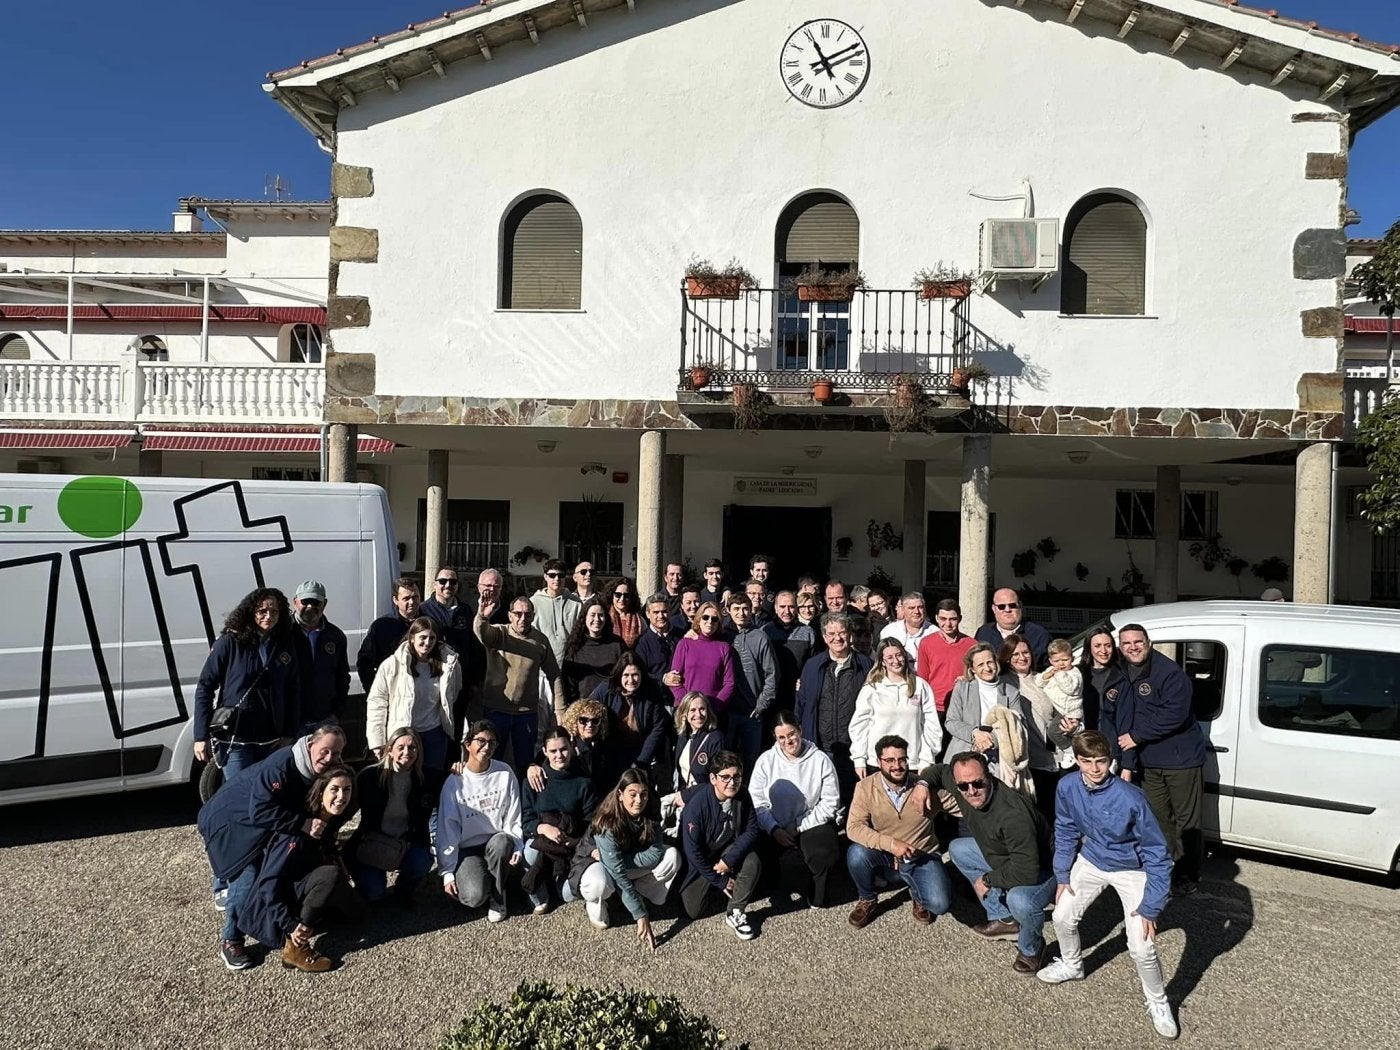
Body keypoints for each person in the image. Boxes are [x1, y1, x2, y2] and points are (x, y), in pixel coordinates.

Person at [1037, 732, 1178, 1040]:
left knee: (1141, 945)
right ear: (1076, 760)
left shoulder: (1131, 797)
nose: (1095, 768)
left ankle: (1158, 1001)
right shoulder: (1067, 786)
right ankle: (1073, 965)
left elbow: (1157, 853)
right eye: (1086, 761)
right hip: (1091, 861)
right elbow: (1065, 828)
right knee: (1061, 916)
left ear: (1111, 760)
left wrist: (1151, 907)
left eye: (1101, 761)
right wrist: (1062, 875)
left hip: (1132, 870)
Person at [197, 725, 347, 970]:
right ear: (310, 745)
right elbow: (260, 810)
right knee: (247, 879)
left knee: (280, 866)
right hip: (231, 824)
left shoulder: (312, 769)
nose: (330, 758)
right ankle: (231, 939)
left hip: (261, 826)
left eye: (337, 753)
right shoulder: (281, 766)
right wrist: (302, 823)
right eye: (325, 751)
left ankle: (277, 922)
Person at [915, 751, 1056, 973]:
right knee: (958, 849)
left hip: (1043, 868)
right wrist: (922, 783)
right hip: (1005, 856)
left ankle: (1032, 949)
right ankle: (1005, 920)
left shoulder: (1013, 815)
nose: (971, 791)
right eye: (963, 786)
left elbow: (1026, 871)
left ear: (988, 776)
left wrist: (987, 880)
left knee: (1020, 900)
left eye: (977, 783)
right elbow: (939, 772)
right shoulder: (962, 782)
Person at [1107, 623, 1206, 896]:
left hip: (1180, 760)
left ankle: (1187, 876)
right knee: (1160, 819)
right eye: (1126, 644)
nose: (1133, 647)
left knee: (1187, 822)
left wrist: (1136, 737)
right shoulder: (1124, 671)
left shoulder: (1170, 674)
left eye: (1137, 642)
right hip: (1150, 761)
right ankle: (1165, 869)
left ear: (1148, 643)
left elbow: (1174, 714)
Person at [239, 764, 363, 973]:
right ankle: (296, 946)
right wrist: (290, 925)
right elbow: (267, 884)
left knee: (361, 916)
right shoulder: (298, 830)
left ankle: (322, 912)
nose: (341, 796)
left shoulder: (330, 820)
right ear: (321, 790)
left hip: (305, 883)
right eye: (334, 789)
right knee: (329, 875)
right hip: (282, 900)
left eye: (347, 790)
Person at [194, 587, 304, 781]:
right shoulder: (229, 642)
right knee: (239, 795)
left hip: (272, 740)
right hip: (236, 740)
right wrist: (200, 736)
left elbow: (293, 691)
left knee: (268, 795)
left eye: (274, 611)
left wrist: (289, 733)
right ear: (251, 612)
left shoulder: (284, 645)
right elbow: (205, 687)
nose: (268, 616)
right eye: (262, 611)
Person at [845, 734, 952, 929]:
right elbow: (853, 828)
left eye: (902, 759)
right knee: (856, 854)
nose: (897, 766)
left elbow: (960, 804)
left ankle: (918, 894)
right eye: (890, 760)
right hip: (886, 856)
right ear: (878, 762)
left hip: (922, 855)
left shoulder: (923, 788)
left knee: (940, 904)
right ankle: (868, 899)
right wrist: (891, 845)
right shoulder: (865, 787)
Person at [571, 768, 681, 943]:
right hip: (594, 863)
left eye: (643, 794)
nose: (639, 800)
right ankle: (597, 903)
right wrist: (640, 914)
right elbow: (616, 870)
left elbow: (656, 852)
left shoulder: (651, 810)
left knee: (672, 856)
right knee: (598, 884)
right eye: (633, 794)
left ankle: (637, 892)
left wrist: (617, 860)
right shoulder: (607, 819)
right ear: (620, 794)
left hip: (620, 860)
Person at [748, 713, 840, 908]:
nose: (788, 741)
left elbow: (830, 803)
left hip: (808, 822)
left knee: (823, 850)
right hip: (774, 824)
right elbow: (756, 800)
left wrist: (798, 825)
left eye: (791, 734)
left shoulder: (821, 760)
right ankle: (768, 880)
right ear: (775, 738)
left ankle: (817, 891)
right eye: (781, 737)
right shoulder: (766, 760)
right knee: (753, 849)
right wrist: (774, 828)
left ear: (800, 730)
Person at [437, 721, 524, 923]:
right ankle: (482, 879)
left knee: (502, 842)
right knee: (473, 897)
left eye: (492, 743)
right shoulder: (454, 782)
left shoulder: (504, 772)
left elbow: (513, 813)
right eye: (481, 741)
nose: (486, 747)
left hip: (496, 842)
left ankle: (498, 896)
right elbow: (447, 828)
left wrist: (517, 844)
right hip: (467, 849)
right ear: (468, 744)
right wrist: (447, 872)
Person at [475, 594, 562, 777]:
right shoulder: (499, 633)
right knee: (491, 761)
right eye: (518, 614)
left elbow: (554, 675)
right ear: (510, 615)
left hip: (526, 714)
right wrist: (483, 616)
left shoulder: (540, 641)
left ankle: (525, 804)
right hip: (496, 710)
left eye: (527, 614)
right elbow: (482, 633)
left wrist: (560, 710)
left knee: (526, 765)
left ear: (533, 616)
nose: (523, 618)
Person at [679, 750, 762, 939]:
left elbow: (752, 830)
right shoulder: (697, 806)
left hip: (726, 851)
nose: (732, 782)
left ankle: (735, 911)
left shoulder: (743, 794)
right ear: (713, 778)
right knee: (694, 911)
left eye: (736, 776)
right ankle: (721, 885)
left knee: (752, 860)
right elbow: (692, 852)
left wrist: (729, 861)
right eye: (725, 777)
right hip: (702, 859)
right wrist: (719, 880)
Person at [348, 727, 437, 904]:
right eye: (401, 747)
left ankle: (404, 889)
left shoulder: (427, 778)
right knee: (374, 894)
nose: (407, 752)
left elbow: (453, 780)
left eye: (412, 747)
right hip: (374, 843)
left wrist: (459, 768)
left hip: (406, 842)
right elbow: (348, 809)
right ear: (390, 750)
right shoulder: (369, 776)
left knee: (422, 861)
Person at [365, 616, 460, 777]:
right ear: (412, 638)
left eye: (432, 638)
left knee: (432, 779)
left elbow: (454, 692)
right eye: (422, 637)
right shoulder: (392, 664)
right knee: (402, 779)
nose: (427, 642)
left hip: (434, 734)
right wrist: (377, 741)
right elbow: (377, 703)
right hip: (404, 735)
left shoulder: (449, 663)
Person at [794, 613, 874, 805]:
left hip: (853, 750)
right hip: (820, 747)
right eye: (831, 634)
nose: (837, 638)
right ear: (824, 637)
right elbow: (801, 704)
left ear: (850, 635)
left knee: (851, 802)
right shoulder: (813, 666)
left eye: (842, 632)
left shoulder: (867, 666)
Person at [520, 727, 597, 913]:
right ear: (544, 752)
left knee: (568, 896)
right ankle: (538, 887)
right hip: (542, 843)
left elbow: (591, 821)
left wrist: (576, 841)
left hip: (570, 845)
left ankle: (557, 879)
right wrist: (543, 828)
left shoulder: (583, 781)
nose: (559, 755)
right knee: (531, 851)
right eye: (553, 751)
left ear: (571, 747)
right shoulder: (534, 780)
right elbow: (526, 819)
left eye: (563, 749)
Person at [1001, 635, 1075, 818]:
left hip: (1056, 752)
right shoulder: (1004, 683)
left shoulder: (1045, 677)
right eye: (1015, 654)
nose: (1022, 657)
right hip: (1028, 759)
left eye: (1025, 652)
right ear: (1007, 658)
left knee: (1058, 811)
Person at [944, 643, 1033, 796]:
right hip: (964, 755)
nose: (987, 668)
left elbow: (1019, 726)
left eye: (989, 662)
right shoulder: (962, 688)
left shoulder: (1011, 692)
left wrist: (992, 740)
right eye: (980, 664)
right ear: (972, 668)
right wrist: (975, 733)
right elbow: (951, 722)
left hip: (998, 761)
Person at [849, 638, 943, 776]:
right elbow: (859, 726)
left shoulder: (920, 686)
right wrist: (859, 759)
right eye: (890, 657)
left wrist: (926, 760)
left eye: (899, 655)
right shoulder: (872, 688)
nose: (896, 661)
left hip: (911, 763)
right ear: (882, 661)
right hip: (877, 764)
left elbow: (931, 726)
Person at [590, 652, 669, 780]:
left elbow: (657, 728)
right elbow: (585, 709)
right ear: (619, 675)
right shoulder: (606, 689)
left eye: (635, 675)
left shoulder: (652, 691)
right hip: (611, 750)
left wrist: (642, 761)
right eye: (626, 675)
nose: (631, 680)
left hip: (641, 748)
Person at [290, 580, 350, 732]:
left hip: (324, 721)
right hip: (291, 724)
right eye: (305, 601)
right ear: (295, 602)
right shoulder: (282, 634)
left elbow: (342, 678)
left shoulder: (335, 636)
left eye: (316, 602)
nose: (310, 606)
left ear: (324, 604)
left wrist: (336, 714)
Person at [726, 592, 777, 769]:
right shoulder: (723, 636)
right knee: (726, 760)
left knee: (751, 762)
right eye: (737, 609)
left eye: (745, 609)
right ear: (728, 611)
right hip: (727, 711)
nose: (741, 613)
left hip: (753, 711)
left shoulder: (761, 637)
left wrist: (762, 704)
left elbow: (771, 673)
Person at [664, 691, 726, 825]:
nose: (698, 714)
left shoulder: (715, 739)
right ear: (684, 714)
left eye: (702, 709)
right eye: (692, 710)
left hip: (704, 803)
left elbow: (717, 783)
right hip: (684, 802)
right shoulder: (683, 736)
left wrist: (685, 795)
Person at [665, 601, 735, 711]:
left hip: (713, 710)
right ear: (698, 619)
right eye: (705, 617)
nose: (710, 621)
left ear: (719, 623)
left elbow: (729, 683)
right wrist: (689, 703)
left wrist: (714, 706)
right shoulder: (685, 644)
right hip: (685, 709)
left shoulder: (724, 647)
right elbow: (674, 679)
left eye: (714, 619)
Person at [357, 578, 420, 692]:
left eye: (415, 597)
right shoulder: (381, 626)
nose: (412, 602)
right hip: (393, 691)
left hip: (423, 692)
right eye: (406, 598)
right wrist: (374, 691)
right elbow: (365, 662)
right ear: (395, 600)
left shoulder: (429, 624)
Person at [916, 598, 977, 715]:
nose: (948, 624)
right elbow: (922, 678)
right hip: (935, 706)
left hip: (963, 706)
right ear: (936, 619)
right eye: (943, 619)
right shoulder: (926, 643)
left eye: (952, 619)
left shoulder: (972, 645)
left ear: (960, 619)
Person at [562, 597, 624, 707]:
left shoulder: (617, 644)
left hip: (613, 706)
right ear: (584, 618)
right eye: (592, 615)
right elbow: (569, 684)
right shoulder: (575, 646)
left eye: (601, 615)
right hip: (584, 708)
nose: (597, 619)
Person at [1036, 638, 1085, 769]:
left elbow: (1070, 688)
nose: (1061, 664)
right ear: (1051, 661)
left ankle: (1070, 751)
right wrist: (1047, 675)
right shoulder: (1053, 670)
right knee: (1055, 731)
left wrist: (1059, 675)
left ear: (1072, 658)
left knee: (1054, 732)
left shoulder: (1074, 673)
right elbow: (1039, 683)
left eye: (1065, 660)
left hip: (1069, 710)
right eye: (1057, 661)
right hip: (1058, 709)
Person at [764, 590, 816, 710]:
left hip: (797, 695)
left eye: (791, 607)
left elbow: (812, 664)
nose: (787, 611)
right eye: (782, 607)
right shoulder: (765, 632)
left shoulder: (808, 632)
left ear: (797, 608)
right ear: (776, 608)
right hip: (771, 695)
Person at [975, 588, 1051, 669]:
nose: (1007, 610)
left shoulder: (1039, 634)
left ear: (1020, 606)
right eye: (1001, 607)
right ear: (994, 609)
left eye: (1012, 605)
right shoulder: (984, 633)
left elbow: (1049, 668)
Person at [530, 559, 580, 664]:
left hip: (570, 663)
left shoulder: (576, 603)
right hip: (541, 664)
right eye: (552, 575)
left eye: (561, 575)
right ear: (545, 577)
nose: (557, 579)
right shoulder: (534, 602)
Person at [1076, 622, 1119, 733]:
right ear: (1089, 648)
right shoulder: (1077, 674)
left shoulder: (1121, 674)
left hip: (1114, 740)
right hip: (1086, 738)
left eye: (1108, 646)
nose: (1103, 651)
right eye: (1097, 646)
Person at [635, 593, 683, 685]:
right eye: (656, 612)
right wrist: (663, 678)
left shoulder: (680, 636)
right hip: (655, 694)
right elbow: (640, 673)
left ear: (669, 612)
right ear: (648, 614)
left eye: (664, 611)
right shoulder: (642, 642)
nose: (661, 616)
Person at [879, 591, 936, 661]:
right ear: (903, 610)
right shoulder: (889, 631)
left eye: (920, 607)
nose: (916, 612)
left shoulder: (935, 633)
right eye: (911, 608)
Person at [606, 576, 643, 648]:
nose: (622, 599)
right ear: (611, 596)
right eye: (618, 595)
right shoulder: (604, 617)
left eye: (626, 595)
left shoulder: (640, 620)